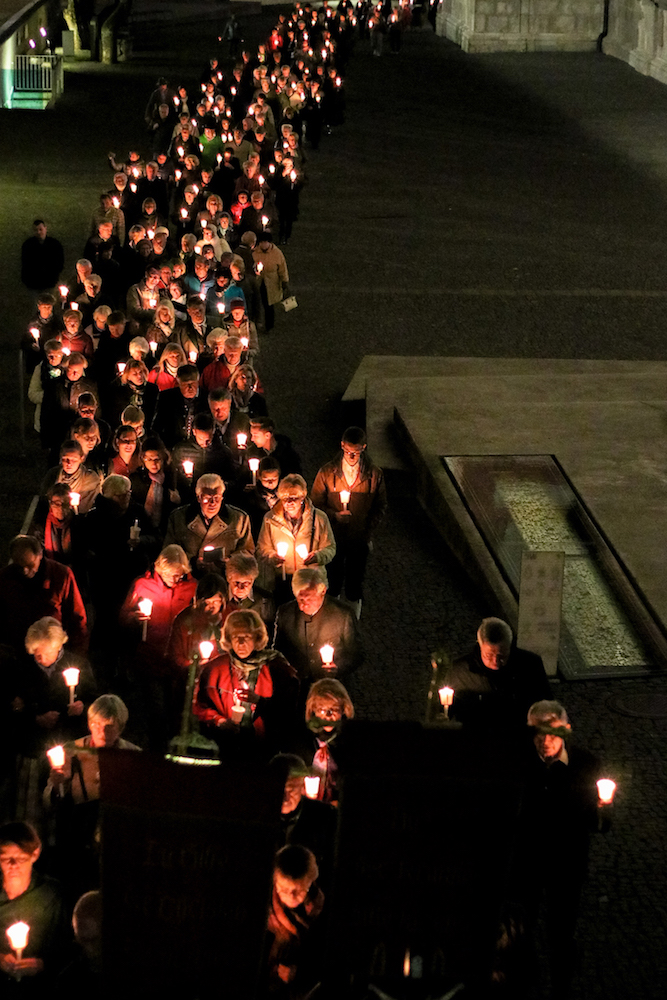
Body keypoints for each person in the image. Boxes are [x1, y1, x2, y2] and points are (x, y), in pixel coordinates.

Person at [513, 701, 607, 998]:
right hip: (526, 862)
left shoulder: (586, 765)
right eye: (538, 734)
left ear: (566, 732)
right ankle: (522, 981)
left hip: (566, 864)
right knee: (520, 928)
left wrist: (603, 809)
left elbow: (599, 825)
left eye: (552, 734)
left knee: (562, 932)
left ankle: (561, 986)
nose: (545, 742)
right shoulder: (517, 762)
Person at [193, 610, 297, 756]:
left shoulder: (276, 668)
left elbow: (289, 707)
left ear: (257, 638)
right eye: (236, 637)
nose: (241, 643)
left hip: (264, 749)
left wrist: (260, 701)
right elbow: (199, 706)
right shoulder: (215, 668)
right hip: (223, 747)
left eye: (247, 637)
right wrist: (220, 721)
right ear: (228, 638)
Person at [311, 426, 387, 618]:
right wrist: (334, 515)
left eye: (356, 452)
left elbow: (380, 505)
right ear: (342, 446)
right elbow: (315, 505)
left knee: (355, 584)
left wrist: (367, 530)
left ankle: (352, 623)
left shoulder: (374, 475)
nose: (352, 456)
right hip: (333, 538)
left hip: (358, 539)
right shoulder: (327, 472)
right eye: (348, 452)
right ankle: (331, 620)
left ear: (364, 448)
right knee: (332, 582)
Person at [446, 617, 552, 731]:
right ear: (480, 646)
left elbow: (546, 704)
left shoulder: (530, 665)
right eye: (489, 655)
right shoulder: (460, 672)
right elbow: (447, 711)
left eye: (502, 656)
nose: (495, 662)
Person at [0, 822, 69, 985]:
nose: (13, 866)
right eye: (5, 859)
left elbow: (68, 949)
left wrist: (42, 965)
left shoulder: (51, 894)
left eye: (21, 858)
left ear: (35, 854)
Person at [274, 568, 362, 690]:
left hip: (331, 686)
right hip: (295, 686)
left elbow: (356, 653)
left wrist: (337, 667)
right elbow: (278, 648)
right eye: (300, 599)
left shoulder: (343, 615)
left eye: (309, 599)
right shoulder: (286, 612)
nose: (302, 606)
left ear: (322, 591)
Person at [0, 536, 88, 655]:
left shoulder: (61, 574)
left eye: (30, 565)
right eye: (19, 566)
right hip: (18, 653)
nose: (25, 571)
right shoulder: (5, 578)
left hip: (52, 652)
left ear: (40, 555)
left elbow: (77, 618)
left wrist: (78, 654)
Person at [256, 476, 335, 595]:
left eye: (294, 498)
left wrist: (317, 556)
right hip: (282, 580)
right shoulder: (270, 519)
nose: (289, 502)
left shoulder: (319, 518)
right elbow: (262, 549)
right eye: (285, 498)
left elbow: (330, 548)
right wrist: (272, 557)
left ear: (302, 497)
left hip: (310, 580)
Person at [164, 472, 254, 574]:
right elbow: (170, 551)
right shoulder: (178, 518)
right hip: (190, 577)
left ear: (222, 497)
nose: (213, 503)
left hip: (226, 577)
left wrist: (230, 561)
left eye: (217, 498)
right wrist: (193, 562)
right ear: (199, 498)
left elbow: (247, 551)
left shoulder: (239, 519)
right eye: (207, 498)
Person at [264, 844, 325, 995]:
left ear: (310, 883)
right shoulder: (265, 912)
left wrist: (299, 973)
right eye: (284, 890)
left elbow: (322, 956)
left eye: (297, 890)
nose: (291, 896)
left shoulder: (319, 911)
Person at [298, 678, 354, 806]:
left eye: (334, 709)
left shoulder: (349, 742)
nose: (328, 715)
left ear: (343, 709)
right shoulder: (302, 741)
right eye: (322, 710)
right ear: (313, 710)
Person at [252, 231, 289, 331]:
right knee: (257, 302)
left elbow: (282, 268)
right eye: (262, 242)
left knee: (268, 304)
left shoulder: (277, 253)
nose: (264, 244)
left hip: (271, 282)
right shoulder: (255, 252)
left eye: (266, 242)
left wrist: (284, 281)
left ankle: (269, 324)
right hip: (258, 281)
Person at [20, 219, 65, 291]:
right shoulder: (28, 245)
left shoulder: (55, 244)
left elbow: (60, 262)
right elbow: (25, 263)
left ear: (45, 228)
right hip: (33, 282)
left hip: (50, 281)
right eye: (36, 230)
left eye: (40, 229)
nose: (38, 232)